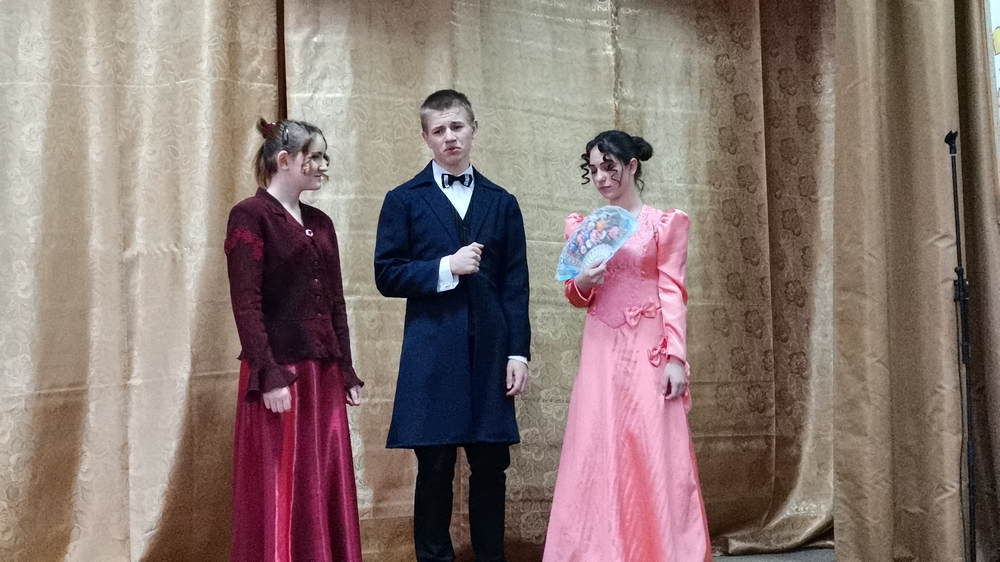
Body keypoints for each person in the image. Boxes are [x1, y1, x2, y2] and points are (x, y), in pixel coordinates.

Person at [373, 89, 531, 562]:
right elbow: (386, 274)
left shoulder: (502, 202)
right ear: (426, 137)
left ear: (473, 129)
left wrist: (518, 353)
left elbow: (516, 284)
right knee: (436, 465)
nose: (449, 137)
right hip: (433, 353)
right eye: (438, 130)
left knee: (491, 465)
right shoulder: (403, 200)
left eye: (457, 126)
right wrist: (446, 267)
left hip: (491, 354)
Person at [543, 131, 711, 562]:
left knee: (651, 444)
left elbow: (673, 291)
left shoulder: (663, 224)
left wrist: (676, 357)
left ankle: (658, 550)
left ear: (632, 166)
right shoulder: (584, 228)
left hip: (647, 347)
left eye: (609, 167)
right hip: (601, 347)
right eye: (594, 169)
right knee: (596, 443)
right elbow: (575, 295)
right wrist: (583, 281)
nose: (601, 177)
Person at [224, 118, 364, 562]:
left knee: (321, 476)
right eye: (314, 156)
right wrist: (268, 374)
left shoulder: (321, 223)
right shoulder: (250, 215)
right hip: (281, 372)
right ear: (284, 160)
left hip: (322, 375)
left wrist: (345, 369)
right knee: (282, 478)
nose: (323, 165)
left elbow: (335, 302)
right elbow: (247, 304)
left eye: (324, 157)